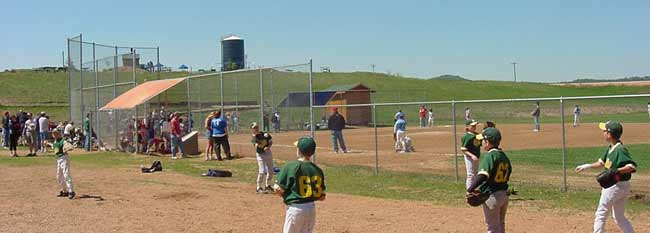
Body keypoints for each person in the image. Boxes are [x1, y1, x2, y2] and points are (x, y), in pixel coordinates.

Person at [575, 121, 636, 233]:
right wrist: (586, 166)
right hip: (621, 186)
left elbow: (631, 166)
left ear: (609, 134)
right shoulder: (611, 148)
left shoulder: (620, 149)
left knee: (601, 213)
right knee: (618, 217)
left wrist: (616, 171)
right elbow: (601, 163)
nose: (603, 133)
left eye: (604, 131)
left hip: (615, 186)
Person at [274, 136, 326, 233]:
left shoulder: (291, 166)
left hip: (296, 209)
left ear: (299, 151)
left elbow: (278, 188)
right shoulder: (317, 170)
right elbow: (322, 197)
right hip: (311, 209)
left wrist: (285, 195)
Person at [467, 127, 512, 233]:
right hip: (504, 195)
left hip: (492, 196)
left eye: (483, 140)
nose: (481, 143)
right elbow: (509, 173)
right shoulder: (503, 156)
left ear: (487, 142)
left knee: (492, 227)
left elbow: (483, 175)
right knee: (500, 224)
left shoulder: (490, 156)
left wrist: (470, 189)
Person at [250, 122, 274, 194]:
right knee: (262, 171)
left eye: (256, 127)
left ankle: (268, 185)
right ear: (252, 129)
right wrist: (257, 139)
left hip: (268, 153)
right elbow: (255, 145)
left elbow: (270, 141)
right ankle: (259, 187)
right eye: (254, 128)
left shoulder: (265, 134)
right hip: (260, 155)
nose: (256, 129)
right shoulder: (254, 137)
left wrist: (268, 147)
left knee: (271, 171)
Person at [52, 129, 75, 199]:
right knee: (59, 176)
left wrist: (69, 148)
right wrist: (48, 144)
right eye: (54, 133)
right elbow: (56, 148)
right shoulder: (55, 141)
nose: (55, 135)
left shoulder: (63, 141)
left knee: (66, 174)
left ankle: (71, 191)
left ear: (60, 134)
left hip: (64, 158)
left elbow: (70, 146)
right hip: (58, 159)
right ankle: (65, 191)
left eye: (57, 133)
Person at [461, 119, 481, 189]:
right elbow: (464, 150)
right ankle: (469, 191)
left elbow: (484, 140)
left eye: (475, 125)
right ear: (467, 127)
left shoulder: (478, 135)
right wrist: (472, 155)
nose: (474, 127)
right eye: (472, 126)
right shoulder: (466, 137)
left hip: (476, 156)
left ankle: (474, 189)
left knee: (476, 174)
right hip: (469, 157)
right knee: (470, 175)